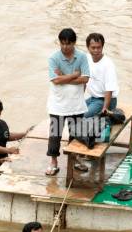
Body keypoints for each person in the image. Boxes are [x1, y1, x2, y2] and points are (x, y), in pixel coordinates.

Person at [46, 28, 90, 176]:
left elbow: (85, 79)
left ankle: (75, 159)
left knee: (76, 133)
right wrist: (74, 75)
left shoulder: (82, 57)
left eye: (68, 44)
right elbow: (55, 80)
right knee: (55, 134)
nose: (65, 47)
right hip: (57, 104)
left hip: (76, 104)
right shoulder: (53, 58)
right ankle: (53, 162)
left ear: (74, 43)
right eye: (62, 43)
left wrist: (64, 76)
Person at [84, 33, 119, 119]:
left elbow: (109, 89)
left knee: (82, 116)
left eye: (98, 47)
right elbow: (83, 81)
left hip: (105, 100)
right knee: (74, 111)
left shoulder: (108, 65)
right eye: (93, 47)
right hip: (93, 98)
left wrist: (105, 108)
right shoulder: (87, 59)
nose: (96, 50)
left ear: (102, 47)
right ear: (88, 47)